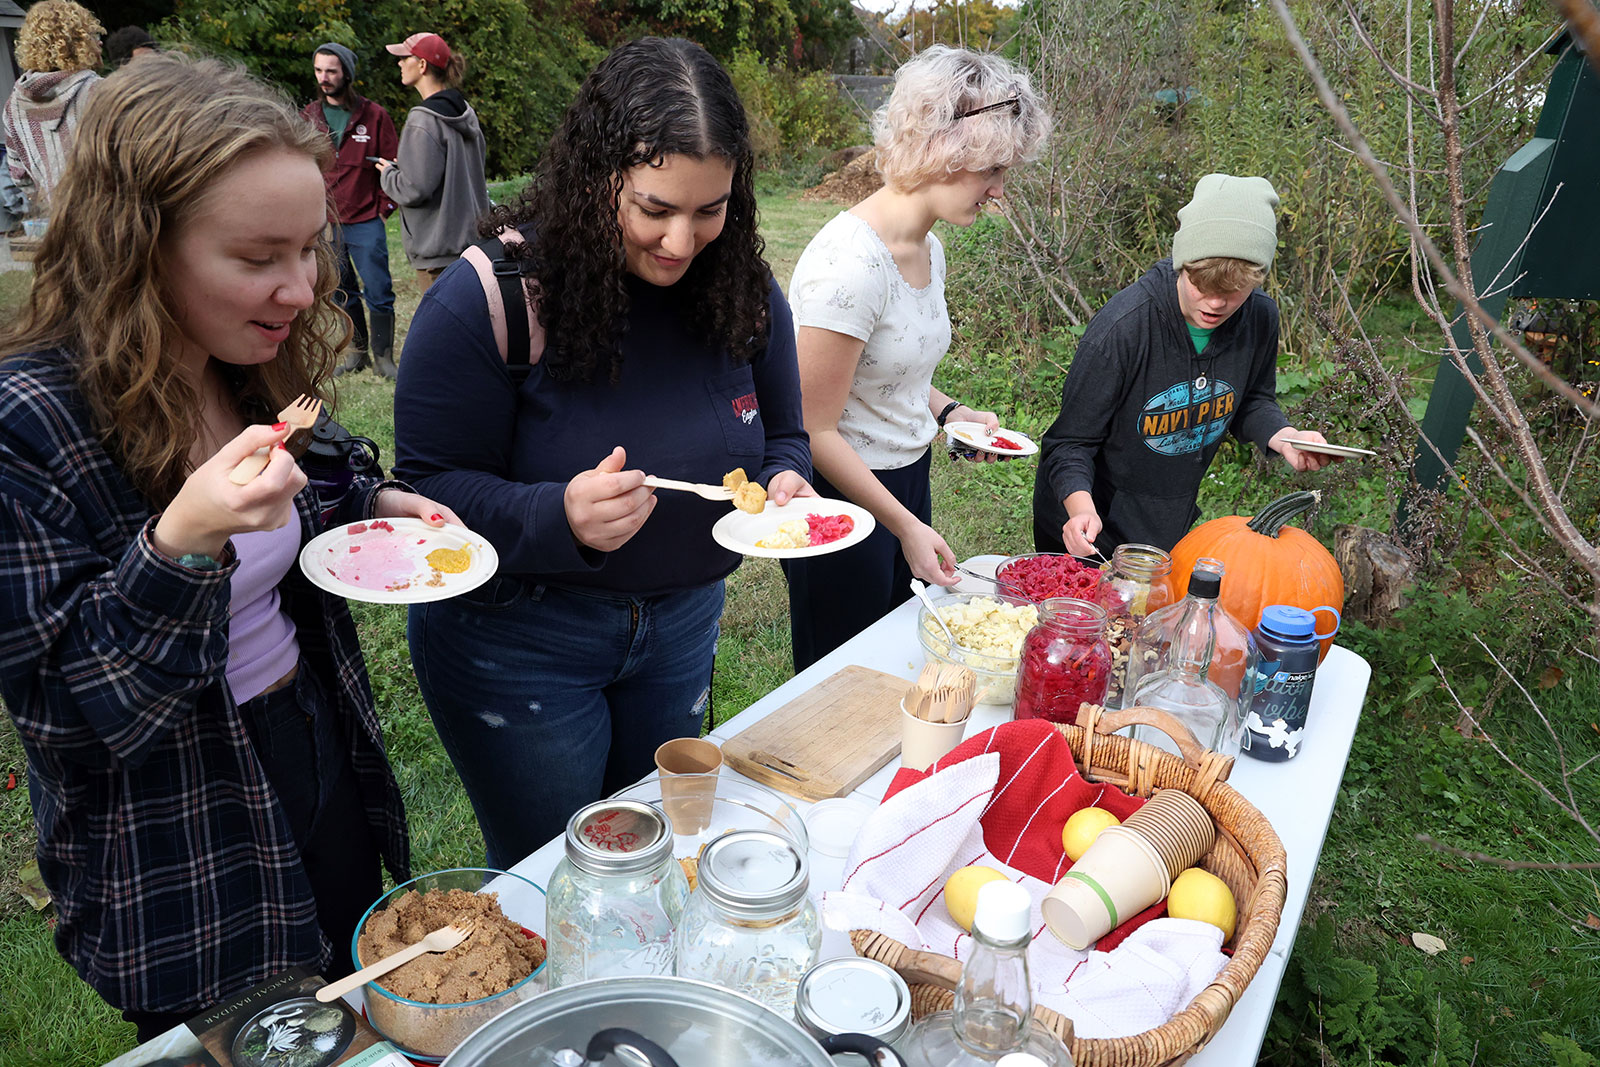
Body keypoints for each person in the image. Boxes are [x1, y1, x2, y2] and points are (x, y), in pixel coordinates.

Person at [0, 54, 456, 1040]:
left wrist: (380, 499)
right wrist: (182, 538)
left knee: (345, 1006)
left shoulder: (238, 358)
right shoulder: (28, 422)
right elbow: (70, 715)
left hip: (311, 746)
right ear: (137, 248)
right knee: (239, 1039)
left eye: (310, 250)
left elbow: (319, 468)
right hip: (170, 836)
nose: (298, 289)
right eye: (258, 257)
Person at [393, 36, 812, 869]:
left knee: (657, 852)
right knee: (559, 872)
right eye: (654, 209)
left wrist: (785, 480)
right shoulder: (491, 299)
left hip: (684, 627)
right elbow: (425, 489)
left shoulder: (746, 293)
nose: (683, 241)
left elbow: (784, 435)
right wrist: (557, 515)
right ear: (596, 178)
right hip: (521, 641)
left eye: (710, 209)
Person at [782, 45, 1050, 671]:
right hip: (842, 503)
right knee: (843, 681)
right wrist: (902, 526)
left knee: (899, 666)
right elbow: (813, 429)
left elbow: (892, 373)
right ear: (944, 147)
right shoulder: (849, 266)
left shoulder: (929, 247)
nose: (999, 191)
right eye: (994, 170)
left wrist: (952, 412)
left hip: (904, 482)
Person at [1032, 173, 1336, 559]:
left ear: (1257, 278)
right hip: (1088, 527)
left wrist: (1285, 436)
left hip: (1166, 523)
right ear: (1183, 264)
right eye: (1201, 285)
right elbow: (1070, 443)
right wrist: (1080, 510)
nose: (1214, 304)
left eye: (1232, 293)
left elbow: (1252, 400)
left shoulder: (1259, 317)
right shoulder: (1124, 329)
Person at [301, 42, 400, 379]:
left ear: (347, 73)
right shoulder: (308, 117)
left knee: (378, 290)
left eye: (331, 70)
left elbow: (394, 166)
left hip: (366, 220)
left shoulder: (374, 116)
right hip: (327, 222)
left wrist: (384, 209)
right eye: (319, 70)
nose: (324, 77)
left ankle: (384, 357)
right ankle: (357, 354)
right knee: (342, 291)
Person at [376, 32, 490, 294]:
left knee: (446, 331)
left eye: (405, 58)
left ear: (422, 65)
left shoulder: (423, 120)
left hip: (438, 256)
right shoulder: (466, 113)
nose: (399, 64)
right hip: (474, 247)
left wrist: (388, 174)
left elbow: (413, 188)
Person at [1, 0, 102, 210]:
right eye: (93, 34)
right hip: (117, 220)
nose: (99, 42)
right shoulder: (101, 92)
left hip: (61, 224)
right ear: (77, 42)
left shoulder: (14, 106)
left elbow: (19, 176)